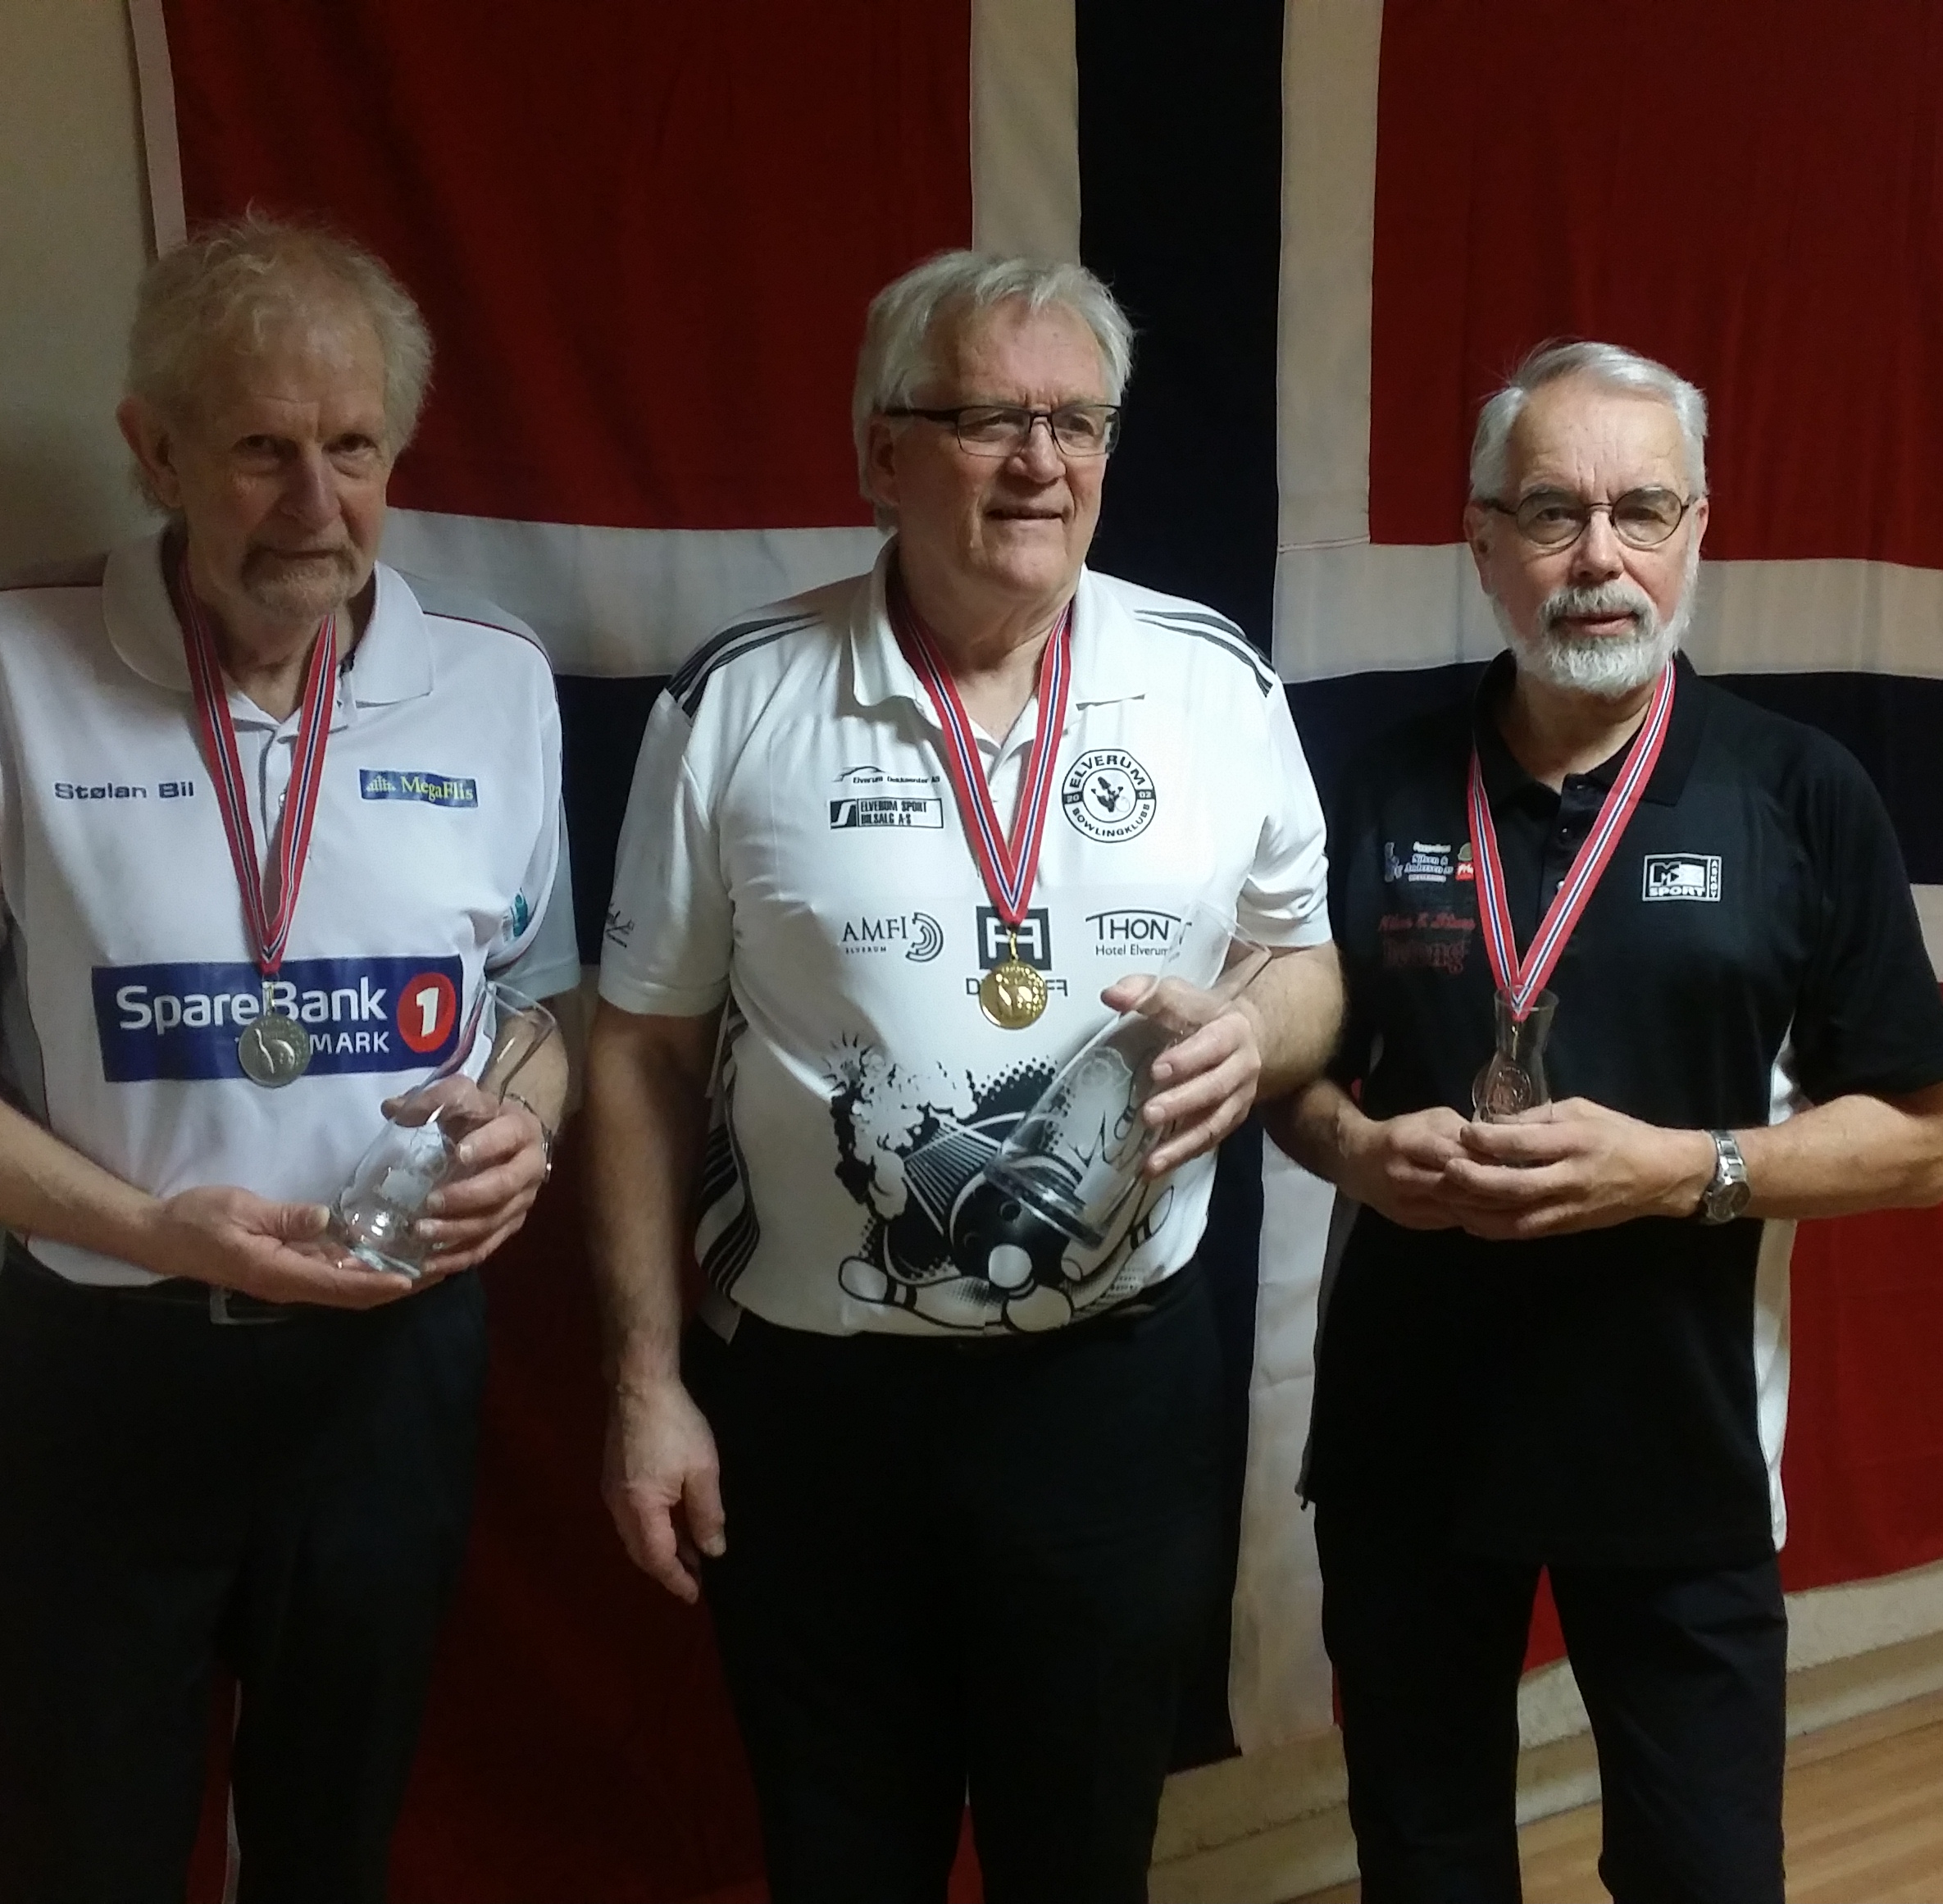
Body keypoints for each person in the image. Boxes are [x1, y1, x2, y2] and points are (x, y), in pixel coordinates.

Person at [0, 214, 576, 1902]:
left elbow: (538, 1009)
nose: (316, 507)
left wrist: (523, 1124)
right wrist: (154, 1229)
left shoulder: (493, 682)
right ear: (152, 450)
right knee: (75, 1851)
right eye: (259, 451)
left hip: (390, 1376)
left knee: (332, 1846)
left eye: (354, 449)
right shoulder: (2, 664)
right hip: (111, 1368)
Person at [582, 250, 1344, 1902]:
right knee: (840, 1858)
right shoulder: (740, 697)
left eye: (1080, 422)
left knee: (1084, 1857)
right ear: (882, 452)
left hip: (1111, 1398)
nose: (1041, 463)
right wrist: (646, 1383)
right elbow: (639, 1049)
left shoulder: (1214, 681)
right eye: (991, 418)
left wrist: (1259, 1032)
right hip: (815, 1405)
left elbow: (1307, 962)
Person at [1267, 340, 1943, 1904]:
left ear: (1698, 529)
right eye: (1552, 513)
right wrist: (1359, 1150)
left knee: (1703, 1874)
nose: (1600, 558)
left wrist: (1681, 1170)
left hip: (1678, 1446)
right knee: (1426, 1867)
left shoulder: (1801, 794)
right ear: (1482, 542)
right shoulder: (1371, 784)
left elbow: (1924, 1142)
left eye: (1642, 510)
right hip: (1409, 1443)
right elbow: (1290, 1076)